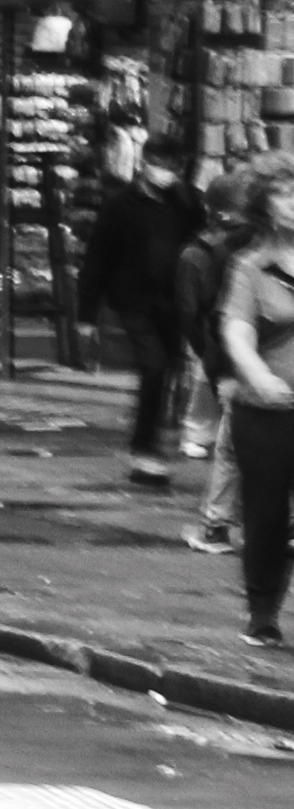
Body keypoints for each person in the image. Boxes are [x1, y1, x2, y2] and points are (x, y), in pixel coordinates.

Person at [79, 136, 201, 491]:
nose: (166, 174)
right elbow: (97, 257)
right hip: (133, 301)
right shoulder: (120, 205)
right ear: (144, 165)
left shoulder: (186, 202)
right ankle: (144, 447)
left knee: (169, 370)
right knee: (154, 365)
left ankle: (154, 442)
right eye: (160, 166)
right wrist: (87, 314)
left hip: (173, 301)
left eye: (172, 168)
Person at [210, 164, 294, 647]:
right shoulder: (250, 267)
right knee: (267, 515)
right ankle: (262, 612)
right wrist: (259, 376)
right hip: (267, 413)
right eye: (283, 195)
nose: (293, 203)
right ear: (266, 208)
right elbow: (236, 332)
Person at [177, 170, 255, 559]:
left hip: (240, 362)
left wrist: (214, 363)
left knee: (233, 447)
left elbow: (206, 317)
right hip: (254, 361)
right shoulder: (252, 249)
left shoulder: (223, 253)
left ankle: (217, 525)